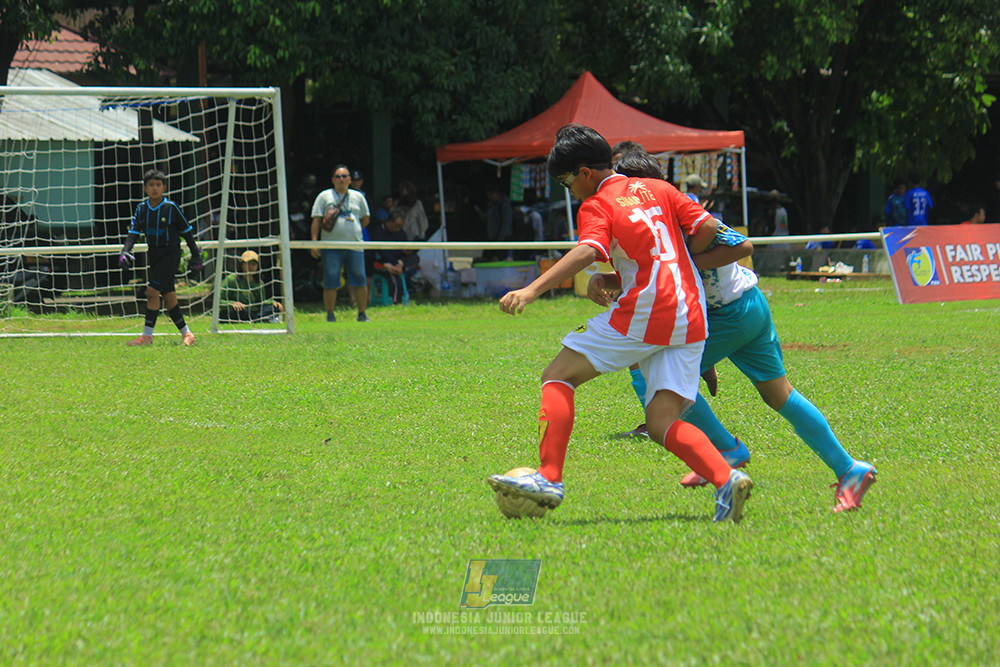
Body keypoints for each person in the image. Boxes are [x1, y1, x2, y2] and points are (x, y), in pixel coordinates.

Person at [486, 124, 754, 524]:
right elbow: (709, 228)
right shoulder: (659, 188)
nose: (569, 191)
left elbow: (588, 250)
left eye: (566, 182)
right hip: (691, 312)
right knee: (661, 422)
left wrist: (532, 289)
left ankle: (549, 477)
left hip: (649, 309)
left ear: (584, 173)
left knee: (557, 376)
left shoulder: (596, 204)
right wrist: (679, 262)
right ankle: (725, 478)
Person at [611, 146, 877, 513]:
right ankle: (849, 469)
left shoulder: (679, 210)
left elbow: (741, 245)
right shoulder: (653, 217)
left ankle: (726, 450)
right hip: (745, 307)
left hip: (730, 315)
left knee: (648, 373)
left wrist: (687, 262)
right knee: (780, 395)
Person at [118, 168, 203, 346]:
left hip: (171, 255)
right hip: (154, 255)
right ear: (145, 188)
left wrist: (195, 255)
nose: (154, 188)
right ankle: (187, 334)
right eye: (151, 185)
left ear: (164, 187)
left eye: (158, 185)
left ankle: (147, 336)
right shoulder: (142, 209)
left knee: (151, 292)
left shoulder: (170, 208)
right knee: (169, 297)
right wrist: (126, 251)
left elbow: (187, 232)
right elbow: (133, 232)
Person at [310, 164, 371, 322]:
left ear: (350, 180)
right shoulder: (324, 196)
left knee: (359, 279)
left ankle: (362, 314)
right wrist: (314, 243)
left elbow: (365, 219)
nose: (341, 179)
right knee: (330, 280)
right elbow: (316, 220)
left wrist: (352, 231)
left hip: (355, 245)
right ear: (332, 180)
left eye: (344, 176)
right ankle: (330, 314)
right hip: (331, 246)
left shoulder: (358, 196)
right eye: (338, 176)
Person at [219, 250, 284, 322]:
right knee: (242, 311)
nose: (250, 267)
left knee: (274, 308)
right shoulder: (231, 279)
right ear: (242, 265)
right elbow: (219, 301)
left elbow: (261, 303)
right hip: (237, 311)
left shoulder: (258, 282)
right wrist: (233, 303)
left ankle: (255, 319)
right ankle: (260, 319)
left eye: (253, 264)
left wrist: (273, 303)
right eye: (248, 264)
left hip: (253, 311)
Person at [370, 209, 412, 304]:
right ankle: (396, 300)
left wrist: (401, 262)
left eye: (400, 227)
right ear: (388, 222)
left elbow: (404, 248)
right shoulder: (378, 232)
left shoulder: (401, 233)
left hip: (399, 262)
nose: (397, 229)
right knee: (393, 277)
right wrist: (391, 264)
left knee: (415, 259)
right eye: (396, 226)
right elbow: (381, 252)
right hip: (382, 262)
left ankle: (401, 269)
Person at [485, 185, 513, 261]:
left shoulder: (505, 204)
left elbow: (507, 221)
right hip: (492, 236)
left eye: (491, 195)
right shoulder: (491, 204)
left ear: (496, 193)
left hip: (502, 237)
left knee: (501, 259)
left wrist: (502, 236)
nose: (489, 198)